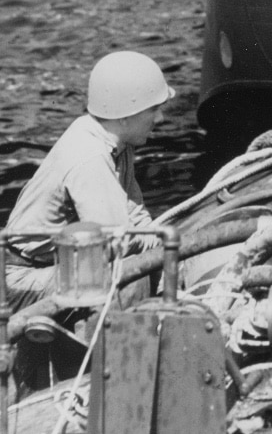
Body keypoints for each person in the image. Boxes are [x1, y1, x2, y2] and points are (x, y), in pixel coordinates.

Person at [4, 51, 175, 311]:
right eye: (154, 109)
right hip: (22, 278)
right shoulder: (90, 158)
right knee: (129, 279)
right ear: (125, 115)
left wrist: (166, 250)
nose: (160, 118)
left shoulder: (117, 142)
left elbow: (136, 217)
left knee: (143, 266)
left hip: (57, 263)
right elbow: (117, 242)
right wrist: (166, 250)